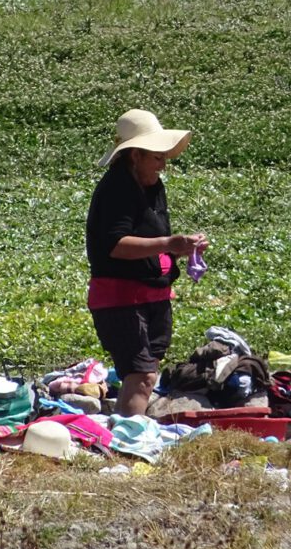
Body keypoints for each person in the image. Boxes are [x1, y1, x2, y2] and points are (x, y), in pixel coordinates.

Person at [85, 109, 208, 417]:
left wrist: (182, 248)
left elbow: (153, 241)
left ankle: (127, 435)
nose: (163, 164)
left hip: (154, 296)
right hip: (121, 299)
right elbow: (116, 245)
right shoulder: (116, 189)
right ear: (135, 155)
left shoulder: (153, 187)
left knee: (146, 373)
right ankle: (127, 443)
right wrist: (169, 243)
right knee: (142, 377)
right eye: (156, 157)